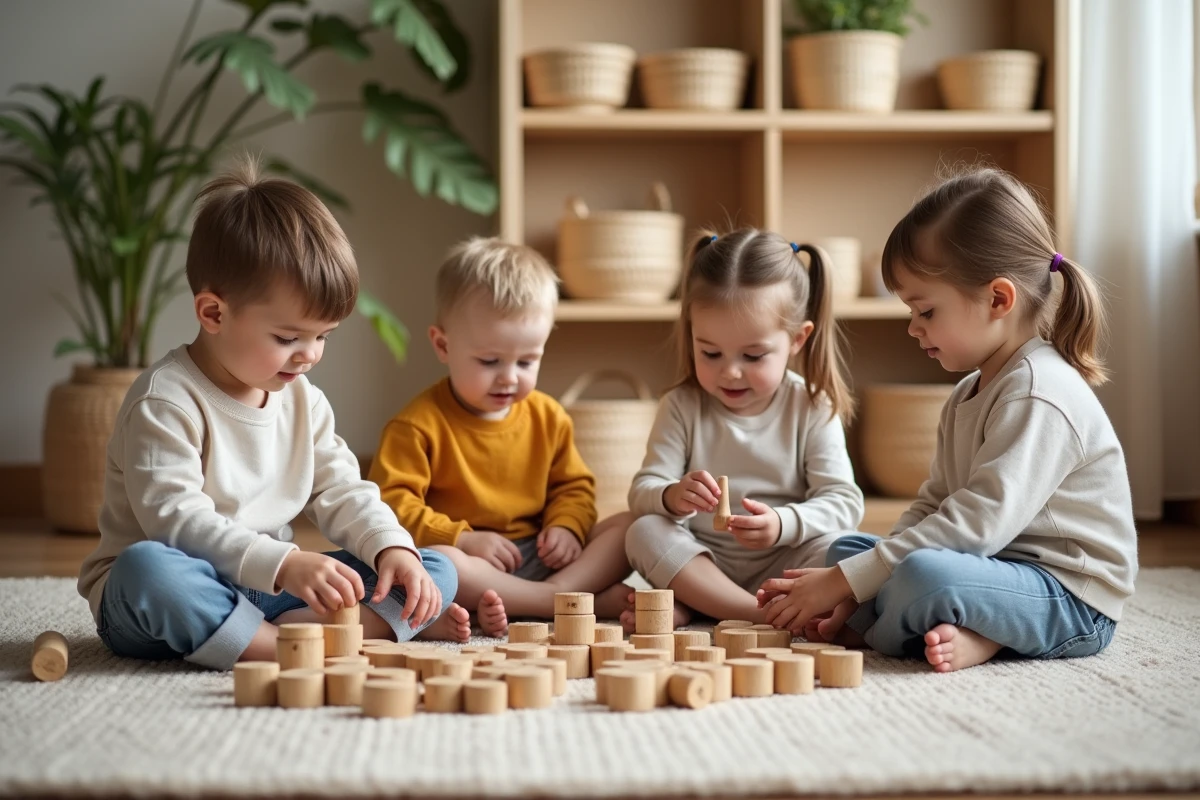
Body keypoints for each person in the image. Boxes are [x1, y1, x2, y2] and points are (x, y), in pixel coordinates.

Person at [78, 160, 466, 669]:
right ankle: (287, 646)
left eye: (322, 336)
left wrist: (389, 548)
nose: (309, 355)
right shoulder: (165, 401)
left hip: (270, 588)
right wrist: (285, 563)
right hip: (169, 589)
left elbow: (343, 490)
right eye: (288, 338)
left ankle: (299, 630)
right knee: (147, 570)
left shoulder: (304, 400)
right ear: (213, 313)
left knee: (434, 565)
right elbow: (177, 523)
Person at [760, 167, 1137, 673]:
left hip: (1068, 597)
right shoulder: (967, 392)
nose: (913, 328)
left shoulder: (1041, 392)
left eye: (926, 311)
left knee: (921, 577)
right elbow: (935, 503)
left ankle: (932, 632)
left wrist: (853, 586)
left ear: (998, 299)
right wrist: (852, 573)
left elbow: (978, 525)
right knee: (841, 550)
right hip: (994, 567)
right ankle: (948, 623)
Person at [369, 237, 633, 637]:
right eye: (490, 361)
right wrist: (463, 539)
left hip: (543, 553)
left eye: (527, 361)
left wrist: (566, 527)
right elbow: (391, 507)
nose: (510, 376)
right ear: (443, 345)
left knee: (630, 525)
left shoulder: (549, 416)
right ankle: (563, 601)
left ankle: (549, 594)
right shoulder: (417, 425)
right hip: (474, 563)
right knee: (442, 562)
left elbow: (574, 487)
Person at [623, 227, 864, 628]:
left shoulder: (811, 405)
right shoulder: (682, 405)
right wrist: (671, 495)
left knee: (854, 549)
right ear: (692, 334)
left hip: (787, 561)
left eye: (753, 355)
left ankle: (703, 607)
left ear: (797, 340)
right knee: (643, 531)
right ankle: (755, 613)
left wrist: (784, 523)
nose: (730, 372)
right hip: (702, 561)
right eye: (710, 352)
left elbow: (844, 502)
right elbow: (642, 491)